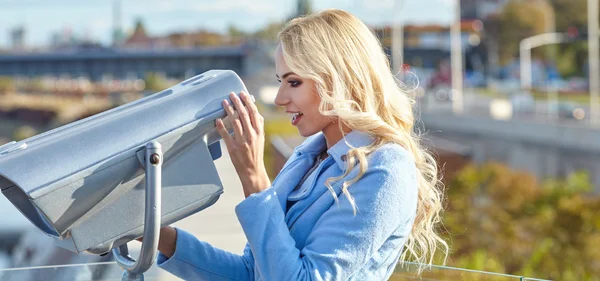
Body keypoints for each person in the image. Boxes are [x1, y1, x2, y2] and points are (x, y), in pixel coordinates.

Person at [152, 9, 448, 281]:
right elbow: (252, 273)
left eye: (294, 83)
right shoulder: (307, 158)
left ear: (338, 78)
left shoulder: (384, 170)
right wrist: (152, 233)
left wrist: (255, 179)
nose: (280, 99)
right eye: (281, 81)